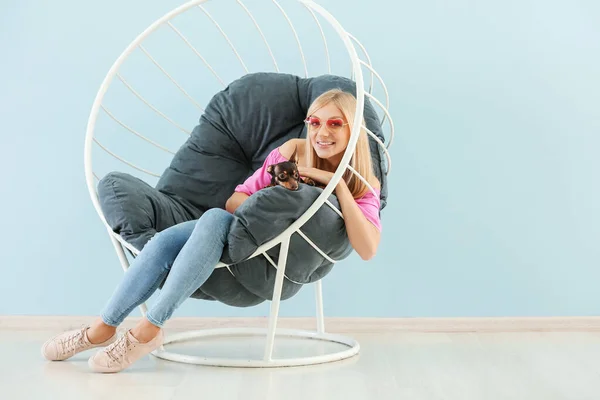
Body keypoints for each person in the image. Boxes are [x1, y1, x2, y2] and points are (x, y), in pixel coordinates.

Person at [41, 89, 382, 373]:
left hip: (266, 263)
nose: (322, 132)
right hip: (238, 234)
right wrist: (270, 193)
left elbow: (367, 249)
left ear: (353, 130)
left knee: (212, 220)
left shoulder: (363, 184)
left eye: (336, 124)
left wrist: (335, 185)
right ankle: (107, 326)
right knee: (173, 237)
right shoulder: (292, 151)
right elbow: (237, 201)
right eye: (315, 122)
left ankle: (145, 327)